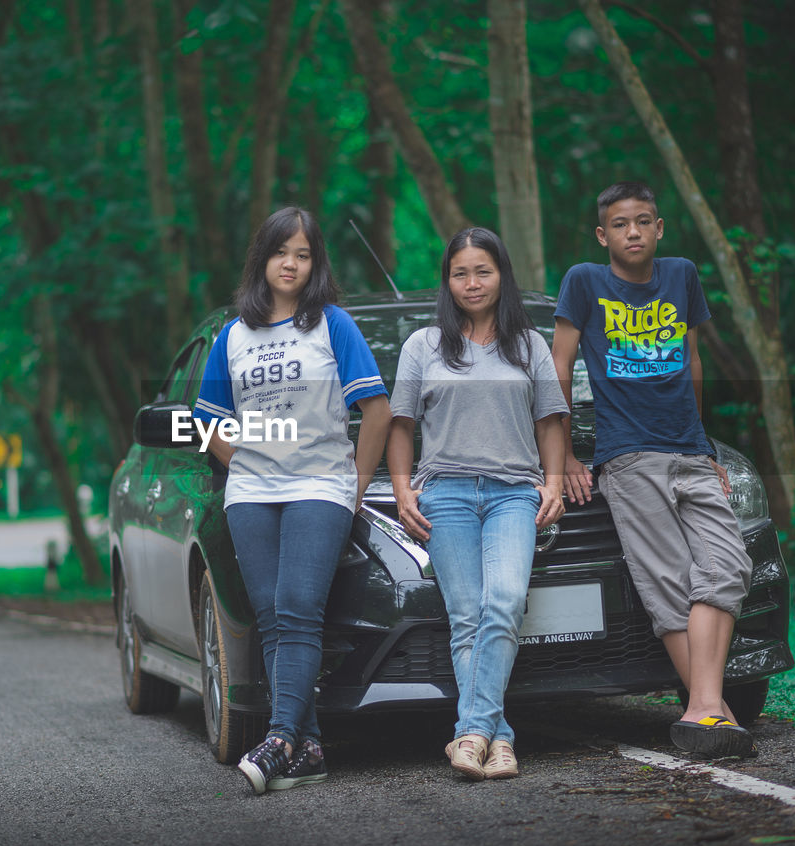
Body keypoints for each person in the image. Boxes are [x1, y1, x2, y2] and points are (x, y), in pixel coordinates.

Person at [551, 181, 756, 759]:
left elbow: (691, 358)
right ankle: (713, 711)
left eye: (643, 221)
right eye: (620, 224)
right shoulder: (584, 282)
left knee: (728, 564)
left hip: (690, 451)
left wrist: (707, 445)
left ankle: (702, 707)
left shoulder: (682, 274)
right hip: (628, 455)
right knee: (666, 579)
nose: (633, 232)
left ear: (659, 228)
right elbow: (558, 367)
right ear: (603, 234)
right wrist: (565, 452)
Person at [192, 206, 390, 794]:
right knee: (274, 617)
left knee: (300, 607)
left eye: (304, 255)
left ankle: (279, 737)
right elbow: (208, 425)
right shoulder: (234, 335)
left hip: (320, 488)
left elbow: (375, 412)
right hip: (251, 493)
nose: (292, 264)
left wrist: (354, 486)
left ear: (315, 263)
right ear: (263, 258)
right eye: (283, 253)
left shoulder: (332, 325)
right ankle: (308, 751)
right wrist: (251, 460)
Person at [387, 226, 568, 781]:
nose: (471, 283)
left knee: (506, 602)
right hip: (446, 494)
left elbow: (550, 421)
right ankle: (499, 740)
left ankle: (470, 734)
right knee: (466, 618)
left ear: (501, 275)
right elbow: (400, 424)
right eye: (460, 273)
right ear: (447, 280)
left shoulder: (530, 344)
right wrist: (401, 488)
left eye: (482, 271)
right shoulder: (423, 344)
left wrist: (555, 480)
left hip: (515, 492)